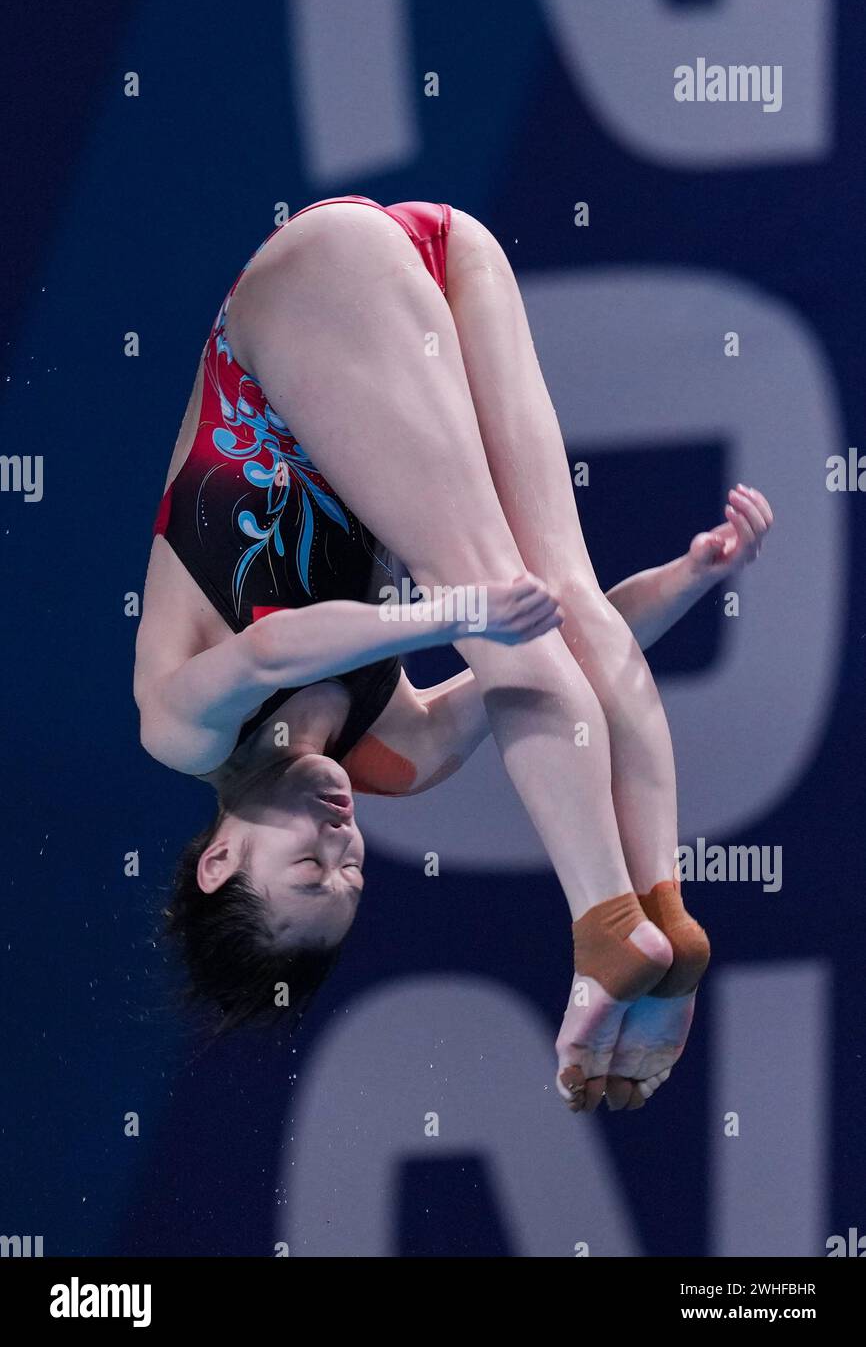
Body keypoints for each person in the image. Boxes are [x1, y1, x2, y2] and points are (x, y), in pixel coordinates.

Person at [134, 196, 773, 1112]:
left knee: (487, 598)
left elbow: (273, 646)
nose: (343, 842)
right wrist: (686, 579)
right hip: (440, 254)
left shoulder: (183, 731)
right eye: (351, 875)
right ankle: (660, 912)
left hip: (311, 286)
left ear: (219, 860)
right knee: (566, 601)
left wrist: (447, 614)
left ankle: (605, 926)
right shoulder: (402, 752)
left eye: (309, 867)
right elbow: (547, 644)